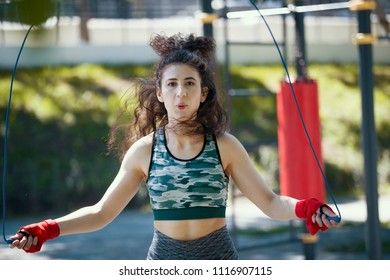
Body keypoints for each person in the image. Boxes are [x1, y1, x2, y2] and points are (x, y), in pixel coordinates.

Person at [9, 33, 340, 260]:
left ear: (204, 93)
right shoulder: (144, 150)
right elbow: (101, 213)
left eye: (190, 84)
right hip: (163, 263)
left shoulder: (225, 146)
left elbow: (269, 203)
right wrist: (48, 229)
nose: (181, 93)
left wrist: (305, 207)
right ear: (160, 92)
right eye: (172, 84)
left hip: (220, 261)